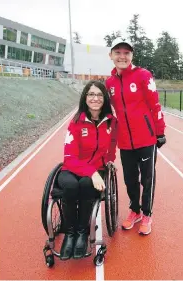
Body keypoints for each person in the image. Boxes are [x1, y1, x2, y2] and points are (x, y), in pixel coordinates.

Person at [105, 38, 166, 235]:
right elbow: (107, 110)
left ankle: (147, 214)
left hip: (146, 139)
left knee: (147, 179)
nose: (122, 56)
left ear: (132, 56)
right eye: (118, 52)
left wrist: (160, 131)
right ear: (111, 56)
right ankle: (135, 210)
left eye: (126, 53)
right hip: (124, 141)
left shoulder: (143, 75)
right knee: (130, 179)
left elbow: (155, 105)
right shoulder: (110, 83)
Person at [58, 80, 117, 260]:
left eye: (99, 95)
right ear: (85, 97)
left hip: (97, 169)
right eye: (91, 94)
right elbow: (69, 157)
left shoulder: (111, 122)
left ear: (105, 99)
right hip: (72, 168)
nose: (95, 98)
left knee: (86, 185)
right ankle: (70, 233)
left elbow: (112, 144)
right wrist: (91, 172)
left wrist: (109, 160)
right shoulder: (76, 122)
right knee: (70, 186)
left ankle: (82, 233)